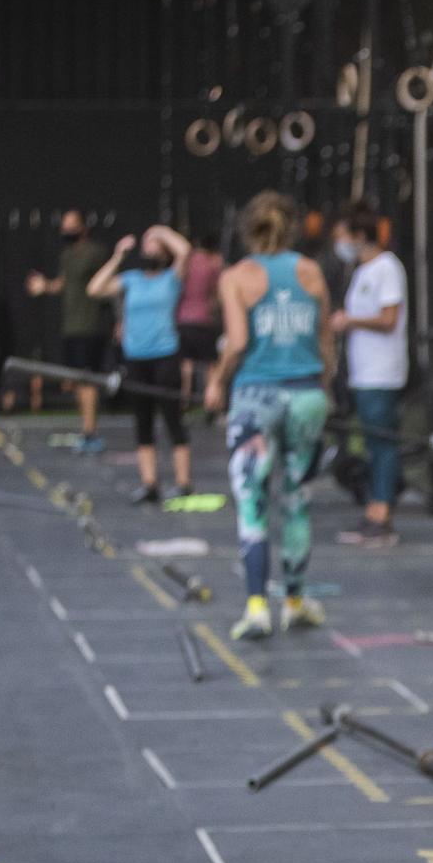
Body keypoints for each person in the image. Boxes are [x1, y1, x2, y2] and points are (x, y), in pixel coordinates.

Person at [205, 191, 336, 642]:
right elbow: (325, 342)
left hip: (256, 396)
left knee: (252, 500)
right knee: (297, 498)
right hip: (305, 395)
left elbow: (237, 342)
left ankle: (257, 605)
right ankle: (295, 601)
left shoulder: (237, 277)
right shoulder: (311, 272)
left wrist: (216, 382)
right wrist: (326, 389)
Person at [87, 225, 194, 503]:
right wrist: (117, 257)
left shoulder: (172, 279)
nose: (148, 249)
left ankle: (183, 484)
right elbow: (95, 289)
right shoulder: (132, 279)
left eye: (154, 247)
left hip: (165, 356)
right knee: (142, 423)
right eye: (146, 246)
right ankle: (150, 485)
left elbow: (185, 251)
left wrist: (160, 231)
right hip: (136, 359)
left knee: (173, 419)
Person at [328, 203, 408, 547]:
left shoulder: (387, 268)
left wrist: (351, 321)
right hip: (363, 372)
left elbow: (389, 318)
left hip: (382, 371)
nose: (341, 244)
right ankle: (375, 508)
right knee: (374, 443)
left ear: (360, 236)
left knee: (382, 441)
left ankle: (383, 513)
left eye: (344, 237)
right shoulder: (361, 271)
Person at [25, 210, 111, 452]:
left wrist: (118, 319)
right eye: (64, 228)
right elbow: (63, 283)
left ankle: (90, 431)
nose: (67, 232)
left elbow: (109, 282)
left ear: (83, 228)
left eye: (72, 227)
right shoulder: (66, 255)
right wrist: (45, 286)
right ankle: (86, 428)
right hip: (70, 326)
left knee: (87, 379)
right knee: (75, 380)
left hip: (90, 325)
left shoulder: (95, 254)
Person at [176, 231, 225, 409]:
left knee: (186, 364)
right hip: (205, 319)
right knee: (211, 363)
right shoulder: (215, 262)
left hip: (184, 318)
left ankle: (184, 399)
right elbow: (218, 291)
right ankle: (211, 400)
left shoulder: (189, 260)